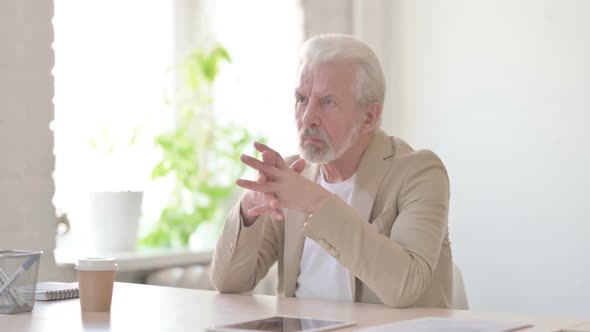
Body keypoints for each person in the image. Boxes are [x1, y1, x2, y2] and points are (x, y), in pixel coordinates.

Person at [210, 34, 453, 308]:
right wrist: (250, 208)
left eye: (327, 102)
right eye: (302, 98)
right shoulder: (293, 175)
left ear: (369, 117)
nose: (307, 118)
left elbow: (405, 287)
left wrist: (316, 201)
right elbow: (228, 283)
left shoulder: (419, 173)